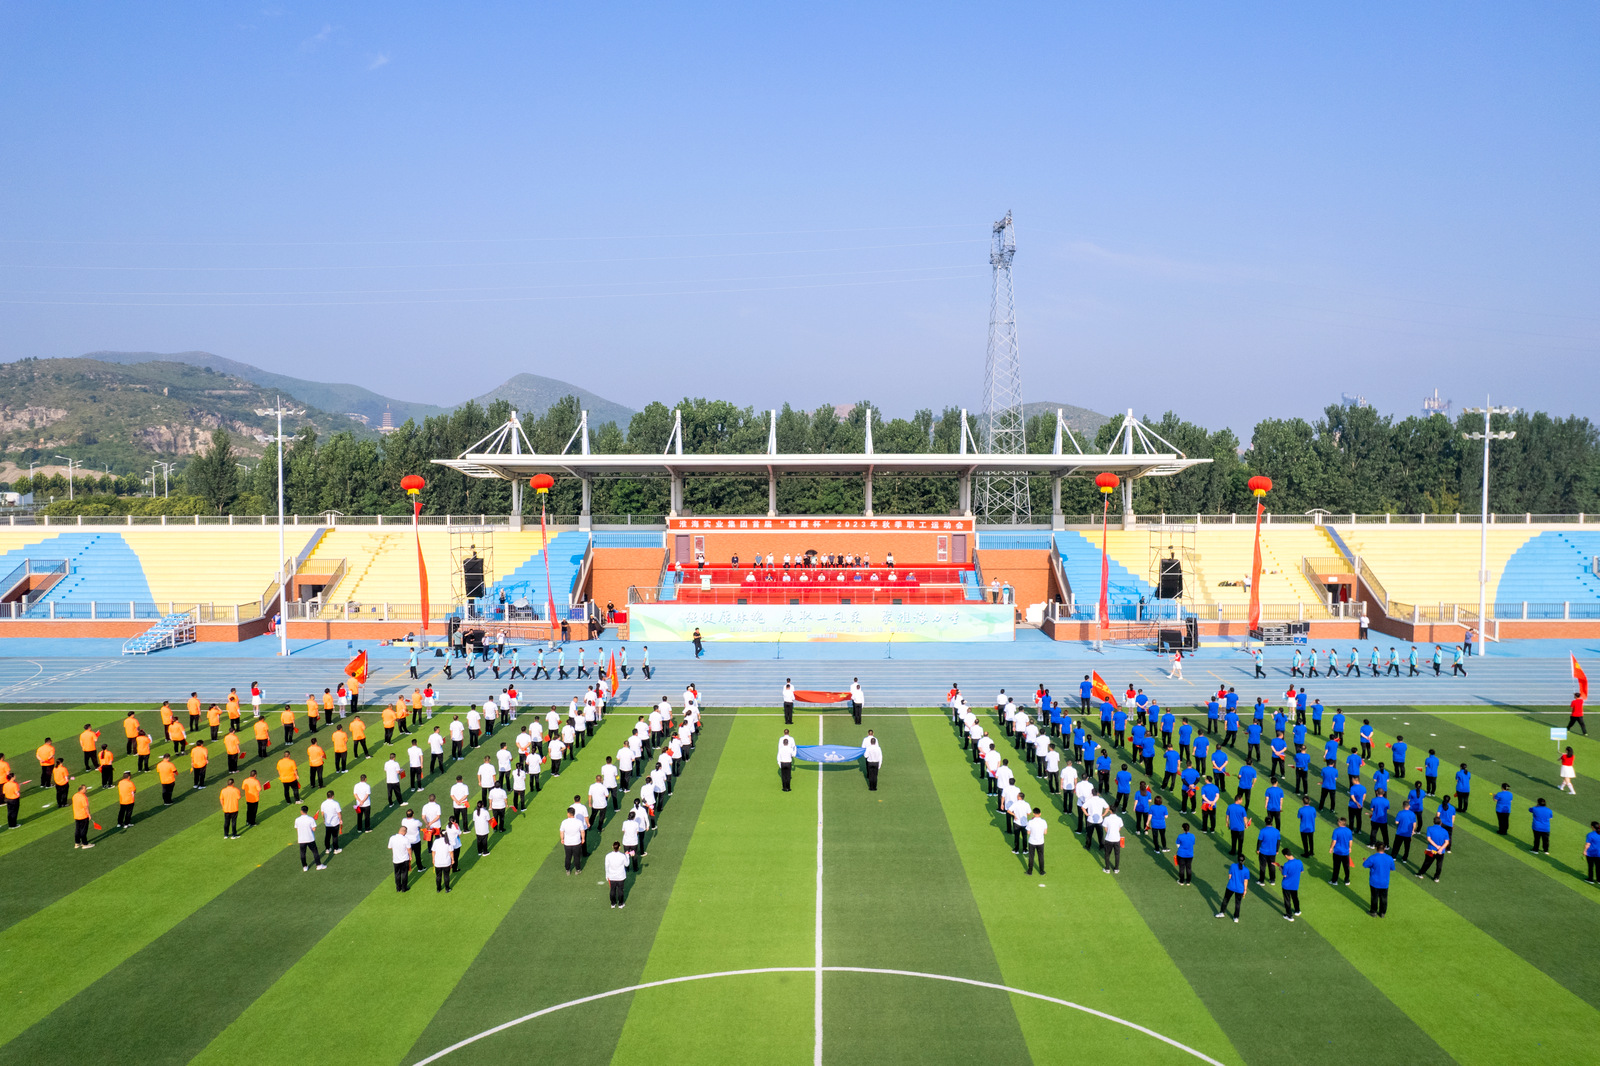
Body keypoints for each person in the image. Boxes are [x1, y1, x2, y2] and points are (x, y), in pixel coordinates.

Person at [1363, 843, 1397, 916]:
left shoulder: (1372, 858)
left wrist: (1365, 861)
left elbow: (1365, 865)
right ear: (1384, 849)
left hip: (1374, 882)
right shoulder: (1389, 858)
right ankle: (1382, 913)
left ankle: (1373, 912)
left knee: (1374, 897)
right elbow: (1392, 868)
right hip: (1384, 882)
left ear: (1376, 848)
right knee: (1384, 898)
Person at [294, 806, 326, 871]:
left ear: (301, 811)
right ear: (307, 811)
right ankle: (318, 865)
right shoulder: (311, 819)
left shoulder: (297, 820)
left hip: (301, 839)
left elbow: (297, 829)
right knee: (315, 852)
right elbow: (314, 829)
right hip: (310, 838)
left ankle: (305, 867)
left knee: (302, 853)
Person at [1280, 849, 1305, 921]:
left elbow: (1284, 875)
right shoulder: (1299, 862)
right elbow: (1302, 871)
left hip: (1286, 885)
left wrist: (1281, 869)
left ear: (1286, 856)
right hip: (1295, 884)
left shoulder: (1286, 865)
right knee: (1295, 898)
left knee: (1287, 900)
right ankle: (1297, 911)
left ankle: (1289, 915)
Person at [605, 840, 630, 907]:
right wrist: (627, 856)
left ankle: (613, 903)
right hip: (620, 876)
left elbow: (606, 866)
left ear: (612, 847)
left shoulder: (608, 856)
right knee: (620, 890)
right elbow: (627, 864)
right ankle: (620, 904)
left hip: (612, 876)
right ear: (619, 847)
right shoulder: (622, 856)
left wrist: (607, 875)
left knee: (612, 890)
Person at [1329, 817, 1353, 885]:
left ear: (1340, 823)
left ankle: (1334, 881)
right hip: (1345, 852)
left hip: (1337, 852)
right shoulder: (1349, 831)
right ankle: (1347, 880)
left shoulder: (1336, 831)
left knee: (1336, 867)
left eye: (1338, 821)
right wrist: (1350, 848)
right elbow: (1350, 841)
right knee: (1346, 867)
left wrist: (1331, 848)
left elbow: (1334, 841)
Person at [1101, 806, 1124, 873]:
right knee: (1117, 854)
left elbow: (1105, 828)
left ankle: (1107, 869)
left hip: (1109, 839)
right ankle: (1116, 869)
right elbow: (1120, 828)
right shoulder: (1119, 819)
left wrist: (1109, 833)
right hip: (1117, 839)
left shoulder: (1106, 819)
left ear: (1110, 811)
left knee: (1107, 854)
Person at [71, 784, 93, 849]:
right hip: (83, 816)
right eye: (85, 788)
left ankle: (77, 843)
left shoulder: (75, 796)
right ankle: (84, 844)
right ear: (81, 789)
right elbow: (86, 807)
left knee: (77, 830)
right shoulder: (83, 797)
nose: (86, 789)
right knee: (83, 830)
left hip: (76, 815)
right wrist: (89, 814)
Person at [1585, 821, 1600, 885]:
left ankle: (1590, 879)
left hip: (1590, 853)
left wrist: (1584, 851)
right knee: (1598, 867)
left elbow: (1587, 844)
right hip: (1599, 853)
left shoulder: (1590, 834)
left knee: (1590, 867)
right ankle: (1599, 880)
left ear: (1592, 827)